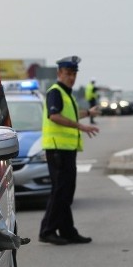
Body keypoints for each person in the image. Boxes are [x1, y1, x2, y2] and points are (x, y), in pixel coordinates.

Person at [39, 56, 100, 246]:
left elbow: (72, 114)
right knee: (59, 192)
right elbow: (54, 116)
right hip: (57, 149)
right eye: (68, 74)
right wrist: (81, 127)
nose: (71, 77)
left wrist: (88, 113)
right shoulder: (55, 92)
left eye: (73, 74)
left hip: (66, 150)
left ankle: (67, 230)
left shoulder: (67, 94)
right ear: (59, 74)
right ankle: (47, 230)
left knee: (66, 192)